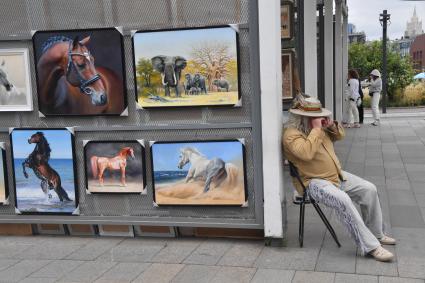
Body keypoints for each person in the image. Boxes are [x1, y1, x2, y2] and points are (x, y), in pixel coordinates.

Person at [283, 94, 396, 262]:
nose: (318, 119)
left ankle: (377, 234)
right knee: (343, 200)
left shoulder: (318, 128)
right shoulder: (290, 135)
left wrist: (331, 126)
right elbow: (305, 153)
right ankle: (371, 246)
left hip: (335, 175)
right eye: (313, 117)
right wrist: (316, 130)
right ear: (301, 117)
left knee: (369, 189)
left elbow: (340, 136)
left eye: (318, 115)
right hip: (312, 182)